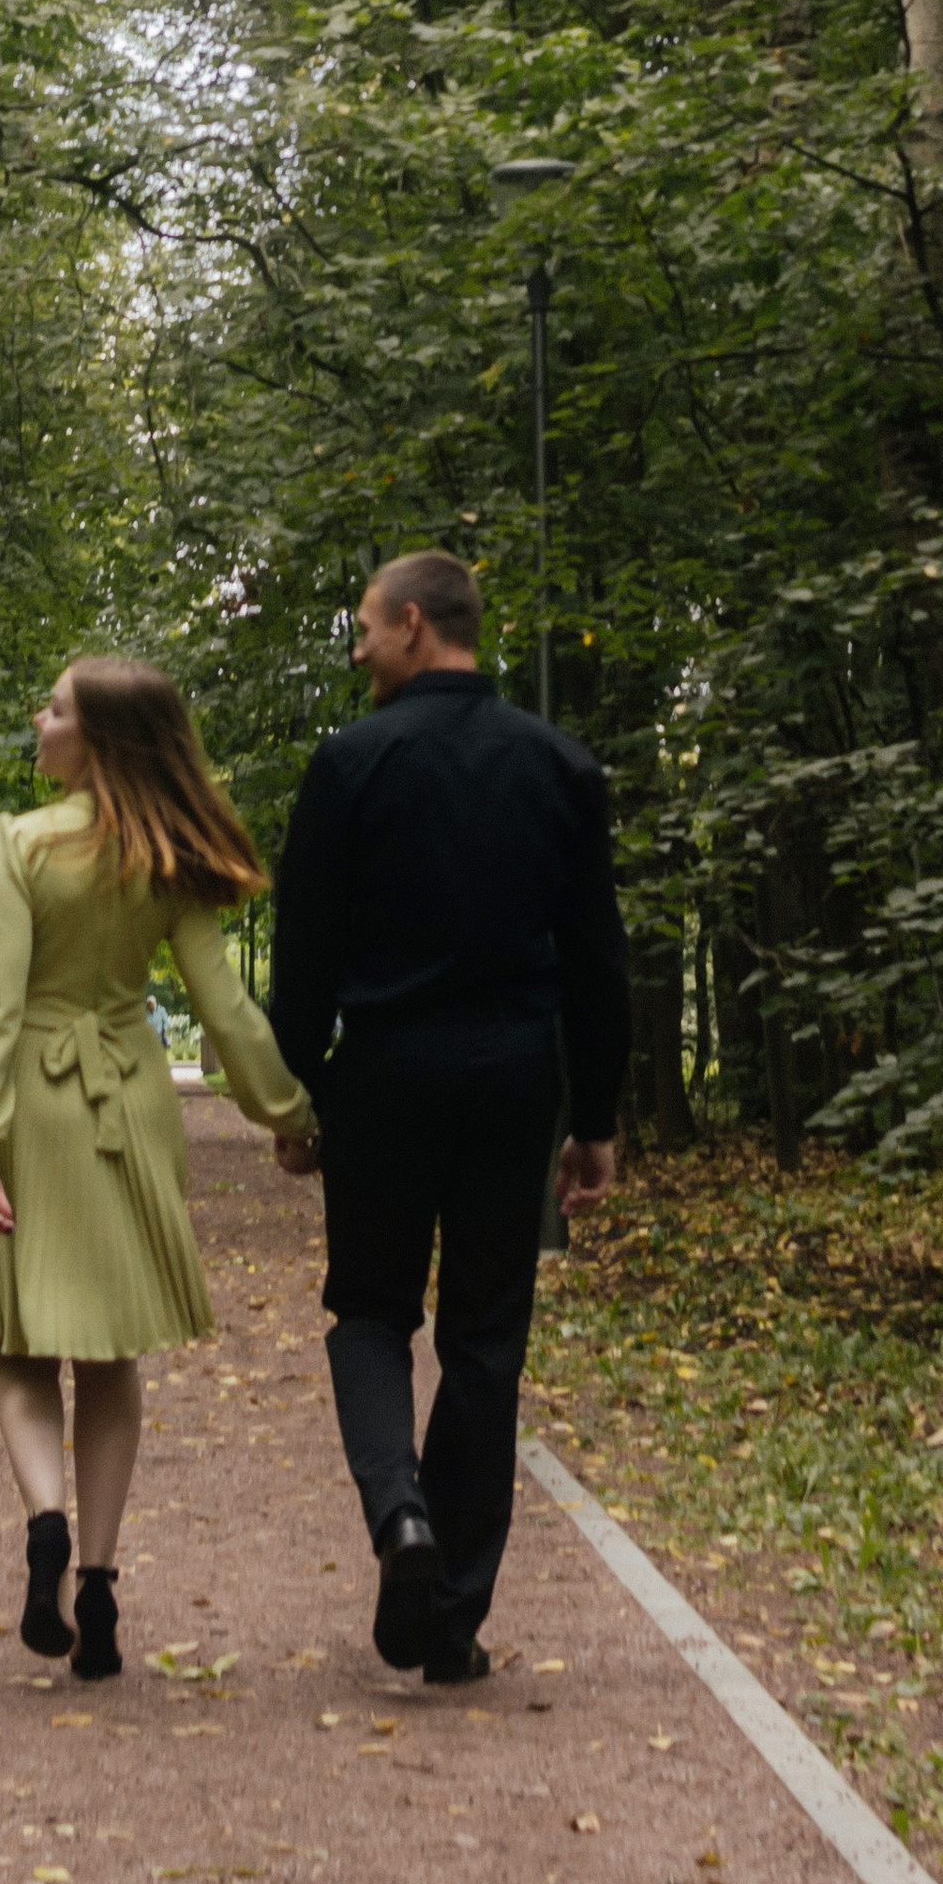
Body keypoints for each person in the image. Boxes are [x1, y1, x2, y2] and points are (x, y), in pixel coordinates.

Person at [269, 549, 631, 1686]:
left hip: (382, 1076)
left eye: (366, 629)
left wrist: (294, 1090)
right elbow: (596, 962)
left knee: (370, 1313)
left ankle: (398, 1519)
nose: (359, 647)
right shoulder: (559, 766)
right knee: (486, 1339)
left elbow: (306, 954)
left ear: (415, 625)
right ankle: (454, 1617)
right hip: (513, 1079)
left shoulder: (349, 763)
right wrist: (596, 1117)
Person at [0, 655, 315, 1680]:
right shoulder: (163, 854)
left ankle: (46, 1528)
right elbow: (224, 1009)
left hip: (31, 1105)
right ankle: (99, 1586)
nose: (39, 714)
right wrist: (285, 1113)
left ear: (97, 738)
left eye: (55, 705)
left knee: (21, 1348)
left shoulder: (19, 845)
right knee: (109, 1357)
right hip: (126, 1105)